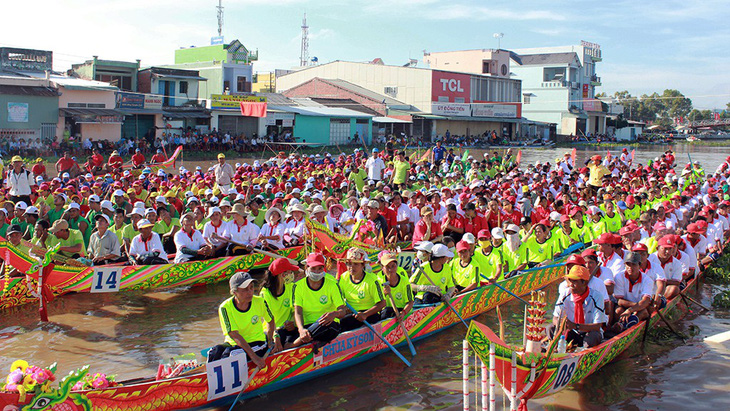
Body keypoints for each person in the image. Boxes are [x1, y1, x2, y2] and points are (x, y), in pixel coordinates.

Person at [208, 272, 275, 366]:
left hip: (257, 342)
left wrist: (270, 339)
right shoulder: (225, 307)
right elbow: (234, 334)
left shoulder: (260, 302)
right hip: (233, 343)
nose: (250, 292)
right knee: (215, 351)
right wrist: (254, 357)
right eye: (245, 289)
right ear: (234, 292)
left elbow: (270, 320)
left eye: (251, 287)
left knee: (231, 354)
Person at [292, 252, 347, 348]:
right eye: (313, 268)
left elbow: (343, 311)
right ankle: (306, 337)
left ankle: (292, 345)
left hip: (328, 324)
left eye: (320, 268)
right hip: (308, 326)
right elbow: (298, 311)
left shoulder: (332, 285)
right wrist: (301, 329)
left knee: (325, 324)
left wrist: (334, 314)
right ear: (306, 268)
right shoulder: (298, 286)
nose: (317, 272)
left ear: (324, 268)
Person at [550, 265, 606, 348]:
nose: (571, 285)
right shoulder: (565, 294)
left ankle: (584, 352)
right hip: (571, 332)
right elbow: (555, 318)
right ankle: (555, 349)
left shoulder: (597, 297)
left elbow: (597, 326)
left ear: (584, 283)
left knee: (593, 337)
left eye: (575, 282)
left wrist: (576, 326)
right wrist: (562, 324)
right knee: (550, 328)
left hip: (589, 332)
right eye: (570, 281)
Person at [338, 248, 386, 331]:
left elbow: (382, 303)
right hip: (352, 313)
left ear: (363, 265)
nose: (351, 267)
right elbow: (338, 298)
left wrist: (365, 314)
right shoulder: (343, 277)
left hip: (370, 314)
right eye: (349, 264)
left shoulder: (372, 280)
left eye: (356, 264)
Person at [261, 258, 301, 351]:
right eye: (290, 271)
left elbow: (296, 311)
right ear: (282, 275)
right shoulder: (265, 293)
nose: (292, 274)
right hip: (271, 331)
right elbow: (268, 319)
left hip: (287, 328)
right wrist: (275, 335)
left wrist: (293, 323)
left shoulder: (291, 287)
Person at [613, 252, 653, 331]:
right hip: (633, 306)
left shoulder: (647, 280)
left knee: (643, 312)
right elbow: (619, 301)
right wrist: (636, 307)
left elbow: (645, 301)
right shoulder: (619, 276)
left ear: (640, 266)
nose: (630, 268)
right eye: (628, 264)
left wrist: (631, 310)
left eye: (634, 265)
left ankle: (625, 326)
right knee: (618, 311)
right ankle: (623, 326)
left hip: (640, 309)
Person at [378, 251, 414, 321]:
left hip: (402, 310)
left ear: (397, 266)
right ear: (382, 268)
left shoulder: (404, 281)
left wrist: (403, 313)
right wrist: (384, 294)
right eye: (387, 267)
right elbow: (377, 302)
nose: (390, 270)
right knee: (386, 312)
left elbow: (410, 302)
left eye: (393, 266)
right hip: (387, 310)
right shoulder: (379, 281)